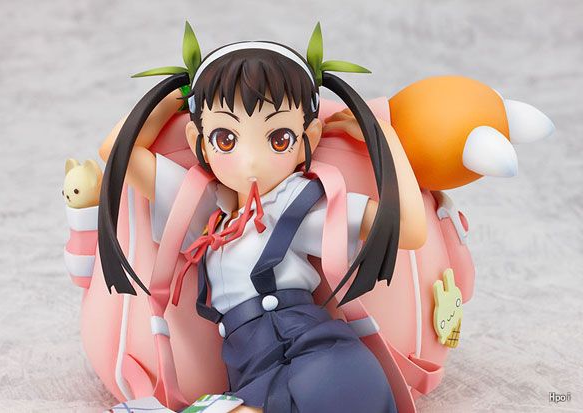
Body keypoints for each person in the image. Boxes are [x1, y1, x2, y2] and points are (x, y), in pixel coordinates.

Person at [98, 33, 425, 412]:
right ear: (199, 141)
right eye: (225, 138)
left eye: (279, 138)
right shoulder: (206, 209)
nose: (251, 161)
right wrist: (180, 94)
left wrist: (385, 139)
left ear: (308, 139)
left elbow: (409, 231)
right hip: (251, 368)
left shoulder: (296, 202)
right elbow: (117, 150)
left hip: (316, 359)